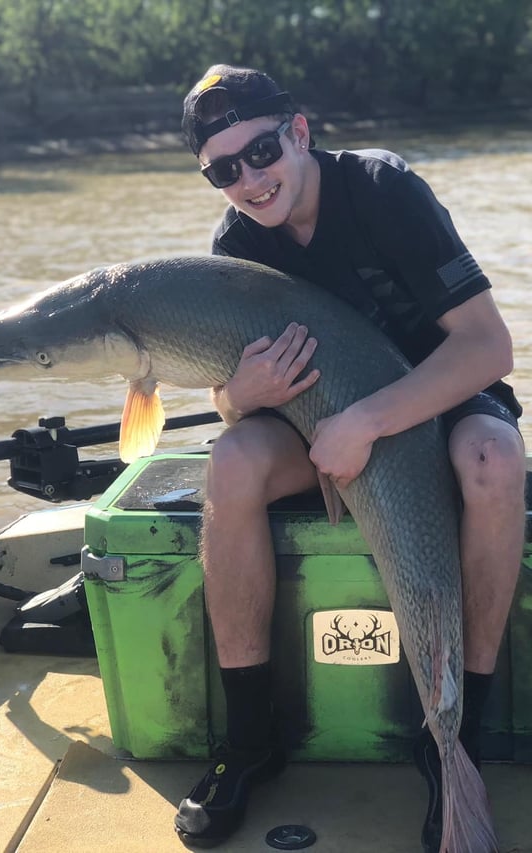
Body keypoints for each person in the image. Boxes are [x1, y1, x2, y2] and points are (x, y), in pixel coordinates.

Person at [174, 63, 526, 851]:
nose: (249, 179)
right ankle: (252, 738)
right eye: (223, 170)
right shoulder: (237, 242)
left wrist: (368, 419)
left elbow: (488, 346)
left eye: (261, 151)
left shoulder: (382, 189)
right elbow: (229, 406)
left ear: (298, 132)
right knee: (230, 463)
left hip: (441, 398)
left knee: (495, 460)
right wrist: (239, 392)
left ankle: (456, 738)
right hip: (319, 426)